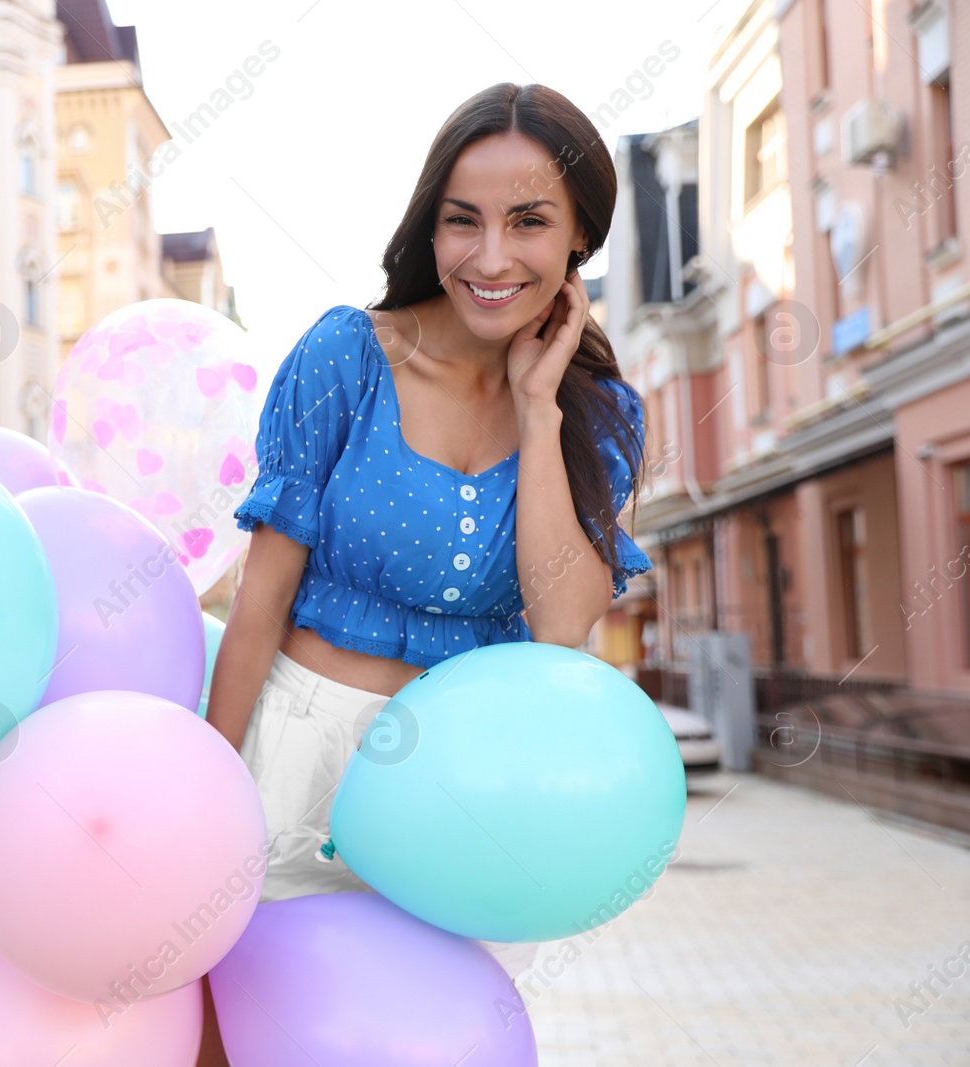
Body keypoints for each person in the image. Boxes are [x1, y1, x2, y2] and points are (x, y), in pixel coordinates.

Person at [195, 82, 651, 1065]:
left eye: (528, 222)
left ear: (579, 238)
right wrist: (203, 790)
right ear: (428, 230)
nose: (491, 258)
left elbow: (563, 624)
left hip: (465, 793)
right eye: (462, 222)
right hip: (292, 756)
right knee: (232, 1038)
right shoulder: (346, 356)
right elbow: (259, 597)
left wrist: (539, 411)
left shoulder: (597, 413)